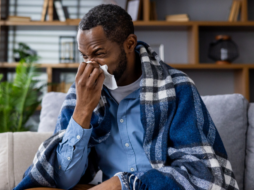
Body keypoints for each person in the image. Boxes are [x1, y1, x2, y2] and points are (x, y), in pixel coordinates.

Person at [15, 4, 238, 190]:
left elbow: (202, 173)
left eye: (99, 54)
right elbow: (64, 179)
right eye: (84, 56)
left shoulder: (177, 87)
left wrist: (124, 184)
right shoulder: (80, 92)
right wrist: (82, 110)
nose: (90, 65)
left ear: (129, 44)